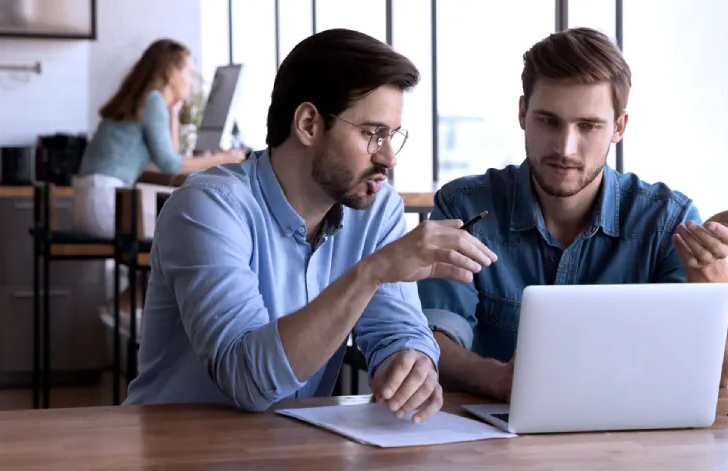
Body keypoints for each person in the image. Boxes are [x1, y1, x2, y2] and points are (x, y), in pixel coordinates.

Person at [124, 29, 497, 423]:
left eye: (393, 136)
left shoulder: (375, 207)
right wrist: (371, 272)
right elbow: (247, 382)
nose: (389, 157)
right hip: (177, 448)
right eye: (373, 134)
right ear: (307, 124)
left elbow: (397, 331)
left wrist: (410, 362)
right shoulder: (207, 208)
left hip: (292, 444)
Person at [417, 27, 728, 403]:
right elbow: (432, 339)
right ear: (522, 113)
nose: (565, 148)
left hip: (631, 443)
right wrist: (497, 379)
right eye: (548, 121)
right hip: (493, 441)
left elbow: (722, 372)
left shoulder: (666, 219)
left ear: (619, 127)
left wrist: (711, 268)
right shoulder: (464, 208)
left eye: (588, 126)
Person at [73, 38, 246, 311]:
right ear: (171, 72)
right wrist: (226, 157)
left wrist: (174, 112)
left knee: (174, 233)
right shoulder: (152, 100)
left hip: (90, 200)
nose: (191, 79)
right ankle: (133, 304)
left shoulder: (145, 100)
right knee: (186, 235)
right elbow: (170, 164)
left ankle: (129, 301)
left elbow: (170, 154)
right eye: (188, 71)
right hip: (105, 202)